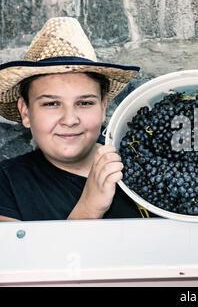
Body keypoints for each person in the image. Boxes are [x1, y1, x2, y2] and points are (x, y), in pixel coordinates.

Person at [0, 17, 145, 221]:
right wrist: (89, 206)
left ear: (103, 108)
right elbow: (17, 254)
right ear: (25, 112)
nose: (69, 120)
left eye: (85, 103)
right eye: (51, 103)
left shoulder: (143, 165)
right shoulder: (7, 184)